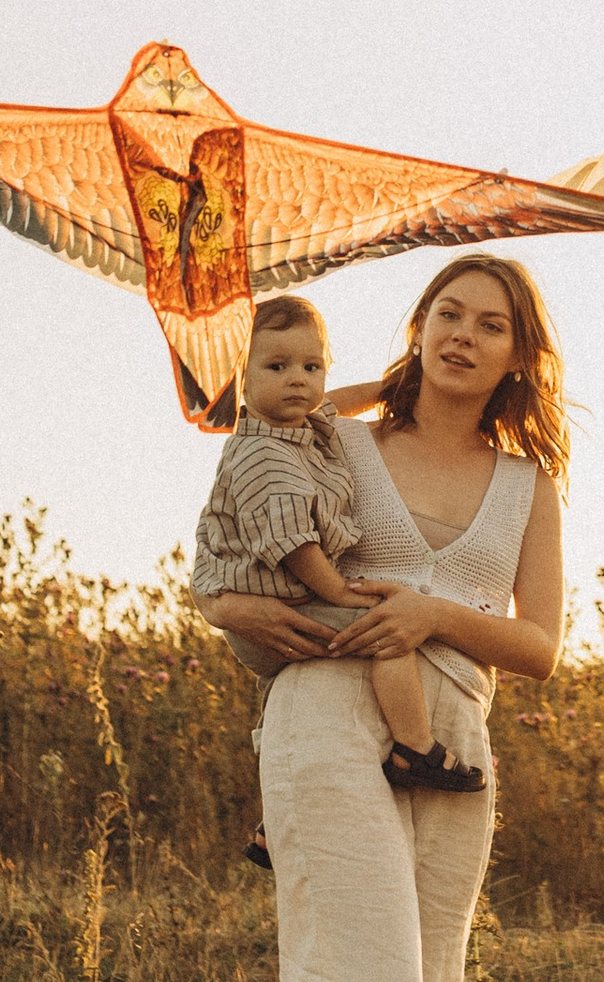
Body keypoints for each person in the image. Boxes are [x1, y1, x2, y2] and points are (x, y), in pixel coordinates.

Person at [197, 256, 567, 982]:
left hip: (452, 738)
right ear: (417, 326)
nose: (463, 334)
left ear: (518, 354)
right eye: (446, 313)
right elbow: (237, 504)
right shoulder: (338, 440)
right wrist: (221, 605)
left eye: (489, 324)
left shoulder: (528, 485)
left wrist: (434, 613)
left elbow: (540, 646)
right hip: (326, 709)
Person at [192, 295, 485, 875]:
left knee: (285, 694)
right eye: (277, 367)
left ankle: (275, 818)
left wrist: (390, 387)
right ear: (241, 378)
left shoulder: (299, 427)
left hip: (270, 605)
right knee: (386, 631)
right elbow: (296, 545)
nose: (298, 381)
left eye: (312, 366)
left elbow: (336, 404)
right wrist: (340, 593)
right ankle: (415, 747)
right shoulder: (264, 455)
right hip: (280, 600)